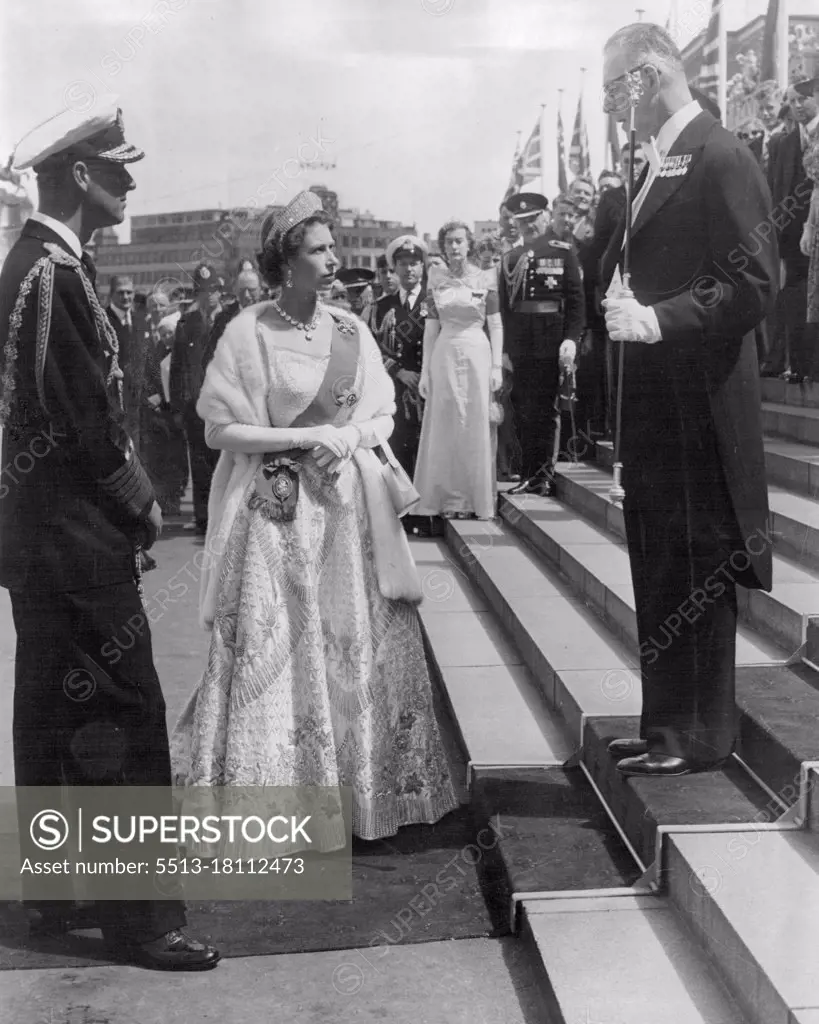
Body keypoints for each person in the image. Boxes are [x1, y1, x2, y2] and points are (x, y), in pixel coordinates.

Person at [0, 97, 218, 969]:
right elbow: (81, 418)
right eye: (119, 168)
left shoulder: (33, 263)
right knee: (125, 719)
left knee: (51, 712)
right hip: (77, 540)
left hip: (37, 540)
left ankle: (61, 895)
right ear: (82, 177)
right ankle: (143, 921)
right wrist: (138, 499)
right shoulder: (54, 274)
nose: (131, 180)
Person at [170, 191, 458, 842]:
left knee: (351, 648)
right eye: (319, 250)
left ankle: (366, 799)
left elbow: (382, 412)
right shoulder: (247, 333)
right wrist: (299, 440)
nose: (332, 260)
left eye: (333, 247)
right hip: (277, 512)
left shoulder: (351, 329)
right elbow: (218, 431)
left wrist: (351, 439)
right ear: (285, 262)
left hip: (348, 512)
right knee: (279, 652)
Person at [601, 23, 776, 777]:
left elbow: (753, 281)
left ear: (643, 78)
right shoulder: (658, 161)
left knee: (698, 563)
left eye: (614, 89)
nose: (612, 106)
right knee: (659, 560)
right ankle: (665, 724)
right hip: (656, 401)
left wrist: (659, 317)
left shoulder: (719, 153)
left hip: (700, 402)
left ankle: (700, 734)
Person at [413, 220, 503, 520]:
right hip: (445, 351)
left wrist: (496, 366)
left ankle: (473, 500)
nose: (454, 247)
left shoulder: (486, 278)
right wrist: (425, 371)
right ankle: (446, 499)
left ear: (469, 244)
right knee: (446, 423)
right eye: (449, 241)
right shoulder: (435, 279)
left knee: (474, 422)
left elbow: (496, 325)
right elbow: (429, 328)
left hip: (477, 351)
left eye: (459, 241)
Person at [499, 193, 584, 495]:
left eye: (533, 218)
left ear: (545, 217)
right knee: (522, 407)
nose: (527, 226)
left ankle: (543, 474)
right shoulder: (510, 258)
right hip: (521, 342)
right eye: (521, 221)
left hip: (551, 339)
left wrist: (572, 340)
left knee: (546, 409)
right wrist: (505, 349)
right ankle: (526, 473)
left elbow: (576, 304)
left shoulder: (563, 253)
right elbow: (505, 309)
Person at [371, 235, 430, 534]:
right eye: (403, 264)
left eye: (414, 264)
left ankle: (426, 512)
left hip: (429, 387)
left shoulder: (433, 300)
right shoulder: (382, 307)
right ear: (393, 267)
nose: (409, 270)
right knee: (398, 448)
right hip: (396, 389)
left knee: (427, 448)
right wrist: (398, 371)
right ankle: (402, 514)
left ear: (423, 266)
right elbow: (372, 349)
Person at [769, 77, 818, 382]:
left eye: (803, 99)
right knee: (796, 299)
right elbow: (776, 190)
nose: (797, 106)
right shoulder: (783, 144)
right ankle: (800, 366)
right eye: (792, 101)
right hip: (792, 238)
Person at [169, 262, 224, 534]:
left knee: (224, 462)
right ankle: (203, 519)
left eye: (213, 289)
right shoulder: (186, 324)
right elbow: (178, 367)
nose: (209, 295)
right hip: (196, 409)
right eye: (203, 290)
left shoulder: (231, 322)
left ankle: (224, 515)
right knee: (200, 464)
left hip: (225, 407)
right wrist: (178, 408)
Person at [201, 266, 262, 372]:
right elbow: (209, 358)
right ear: (236, 290)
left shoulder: (273, 316)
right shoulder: (223, 319)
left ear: (260, 289)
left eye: (252, 290)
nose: (247, 295)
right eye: (243, 290)